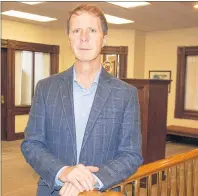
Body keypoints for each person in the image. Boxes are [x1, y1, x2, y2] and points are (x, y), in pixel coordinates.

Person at [21, 4, 143, 196]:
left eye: (92, 30)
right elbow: (31, 144)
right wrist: (64, 172)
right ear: (69, 38)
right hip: (54, 191)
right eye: (76, 30)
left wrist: (91, 180)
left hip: (104, 192)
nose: (83, 38)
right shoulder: (46, 88)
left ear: (104, 39)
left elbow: (131, 154)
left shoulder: (126, 94)